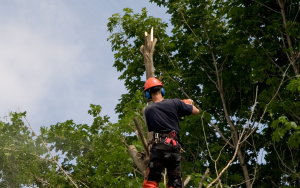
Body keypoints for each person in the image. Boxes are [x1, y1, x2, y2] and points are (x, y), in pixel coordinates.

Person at [142, 77, 199, 188]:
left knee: (151, 182)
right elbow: (196, 111)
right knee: (175, 183)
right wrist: (184, 104)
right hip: (173, 148)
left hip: (158, 148)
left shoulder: (148, 110)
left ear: (148, 94)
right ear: (162, 90)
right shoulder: (176, 103)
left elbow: (153, 127)